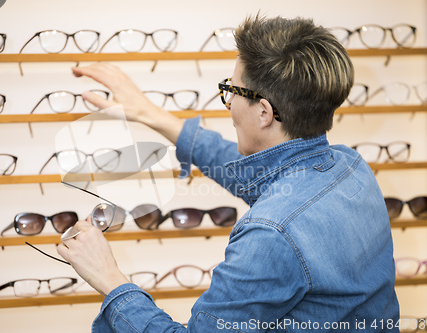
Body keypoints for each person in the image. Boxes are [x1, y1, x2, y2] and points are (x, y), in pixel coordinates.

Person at [57, 14, 400, 333]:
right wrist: (152, 114)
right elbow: (258, 173)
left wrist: (110, 279)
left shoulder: (270, 233)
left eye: (231, 91)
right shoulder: (350, 167)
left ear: (264, 112)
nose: (230, 104)